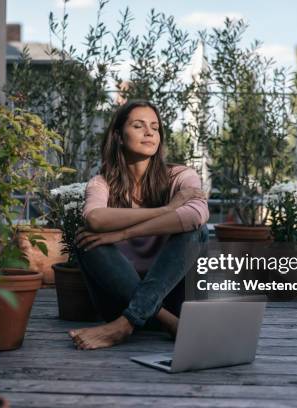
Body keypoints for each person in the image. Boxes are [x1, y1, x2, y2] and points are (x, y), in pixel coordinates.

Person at [69, 100, 210, 350]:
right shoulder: (101, 183)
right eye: (138, 125)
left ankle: (126, 325)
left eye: (155, 128)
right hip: (120, 303)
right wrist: (166, 210)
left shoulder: (181, 176)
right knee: (87, 238)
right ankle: (162, 321)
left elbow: (195, 216)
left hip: (174, 299)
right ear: (119, 137)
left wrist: (123, 233)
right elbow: (95, 218)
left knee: (196, 233)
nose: (149, 132)